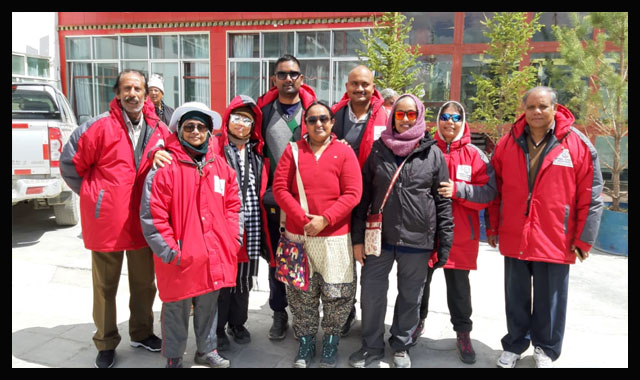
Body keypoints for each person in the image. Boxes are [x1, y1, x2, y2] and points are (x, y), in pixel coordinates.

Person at [486, 87, 604, 368]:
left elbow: (592, 195)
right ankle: (514, 344)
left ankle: (546, 349)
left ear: (555, 108)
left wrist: (584, 239)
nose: (536, 112)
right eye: (530, 107)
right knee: (515, 297)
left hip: (555, 235)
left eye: (542, 107)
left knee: (550, 300)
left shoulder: (578, 145)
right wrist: (493, 227)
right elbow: (495, 190)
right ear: (523, 110)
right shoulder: (507, 143)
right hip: (515, 232)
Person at [60, 69, 170, 368]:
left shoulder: (160, 129)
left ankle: (142, 332)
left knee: (145, 284)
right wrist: (95, 195)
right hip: (106, 221)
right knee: (105, 287)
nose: (133, 94)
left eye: (138, 89)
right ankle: (106, 341)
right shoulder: (97, 127)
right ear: (118, 93)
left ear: (147, 93)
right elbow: (70, 164)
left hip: (143, 221)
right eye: (127, 89)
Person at [349, 94, 454, 368]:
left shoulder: (433, 153)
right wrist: (357, 239)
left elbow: (443, 201)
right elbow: (363, 197)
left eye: (410, 114)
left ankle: (401, 344)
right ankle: (371, 346)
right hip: (379, 238)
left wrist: (443, 245)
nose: (405, 119)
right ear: (392, 116)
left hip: (417, 239)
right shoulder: (377, 149)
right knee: (371, 293)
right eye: (400, 114)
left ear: (419, 116)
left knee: (410, 295)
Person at [140, 102, 241, 368]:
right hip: (180, 256)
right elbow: (153, 217)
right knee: (176, 308)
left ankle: (206, 350)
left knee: (209, 305)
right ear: (180, 130)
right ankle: (174, 356)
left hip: (213, 253)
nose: (195, 131)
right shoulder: (164, 168)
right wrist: (172, 251)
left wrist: (232, 238)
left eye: (201, 126)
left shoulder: (220, 166)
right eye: (189, 126)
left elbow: (234, 205)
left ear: (209, 132)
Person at [272, 101, 362, 368]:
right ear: (305, 124)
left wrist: (326, 219)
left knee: (337, 294)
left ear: (332, 122)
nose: (318, 124)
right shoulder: (293, 151)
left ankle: (332, 340)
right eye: (312, 120)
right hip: (299, 237)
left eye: (324, 118)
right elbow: (280, 189)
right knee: (301, 293)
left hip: (335, 238)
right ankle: (307, 340)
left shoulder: (344, 153)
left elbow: (353, 193)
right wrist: (302, 220)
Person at [417, 100, 497, 364]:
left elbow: (489, 193)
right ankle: (415, 324)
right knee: (418, 284)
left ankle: (463, 332)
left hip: (461, 234)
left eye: (456, 117)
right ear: (438, 120)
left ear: (463, 122)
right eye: (445, 116)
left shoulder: (475, 155)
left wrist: (460, 190)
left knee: (459, 288)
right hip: (426, 231)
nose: (450, 122)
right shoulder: (424, 149)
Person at [255, 54, 317, 341]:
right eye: (282, 74)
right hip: (274, 199)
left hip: (308, 199)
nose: (288, 79)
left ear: (301, 78)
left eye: (294, 74)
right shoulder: (263, 111)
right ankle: (279, 312)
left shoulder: (314, 110)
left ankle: (308, 313)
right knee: (276, 258)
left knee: (310, 257)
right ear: (274, 79)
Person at [330, 65, 388, 336]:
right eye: (355, 84)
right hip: (339, 197)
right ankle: (345, 311)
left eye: (365, 84)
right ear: (347, 86)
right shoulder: (334, 114)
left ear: (373, 86)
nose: (360, 89)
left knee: (369, 259)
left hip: (373, 197)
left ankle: (371, 319)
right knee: (342, 262)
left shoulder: (384, 116)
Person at [215, 95, 268, 351]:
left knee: (243, 279)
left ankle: (238, 323)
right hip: (223, 223)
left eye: (247, 119)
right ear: (227, 120)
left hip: (251, 225)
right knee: (224, 280)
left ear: (253, 125)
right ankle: (218, 328)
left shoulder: (256, 153)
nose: (241, 124)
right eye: (236, 117)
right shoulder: (215, 148)